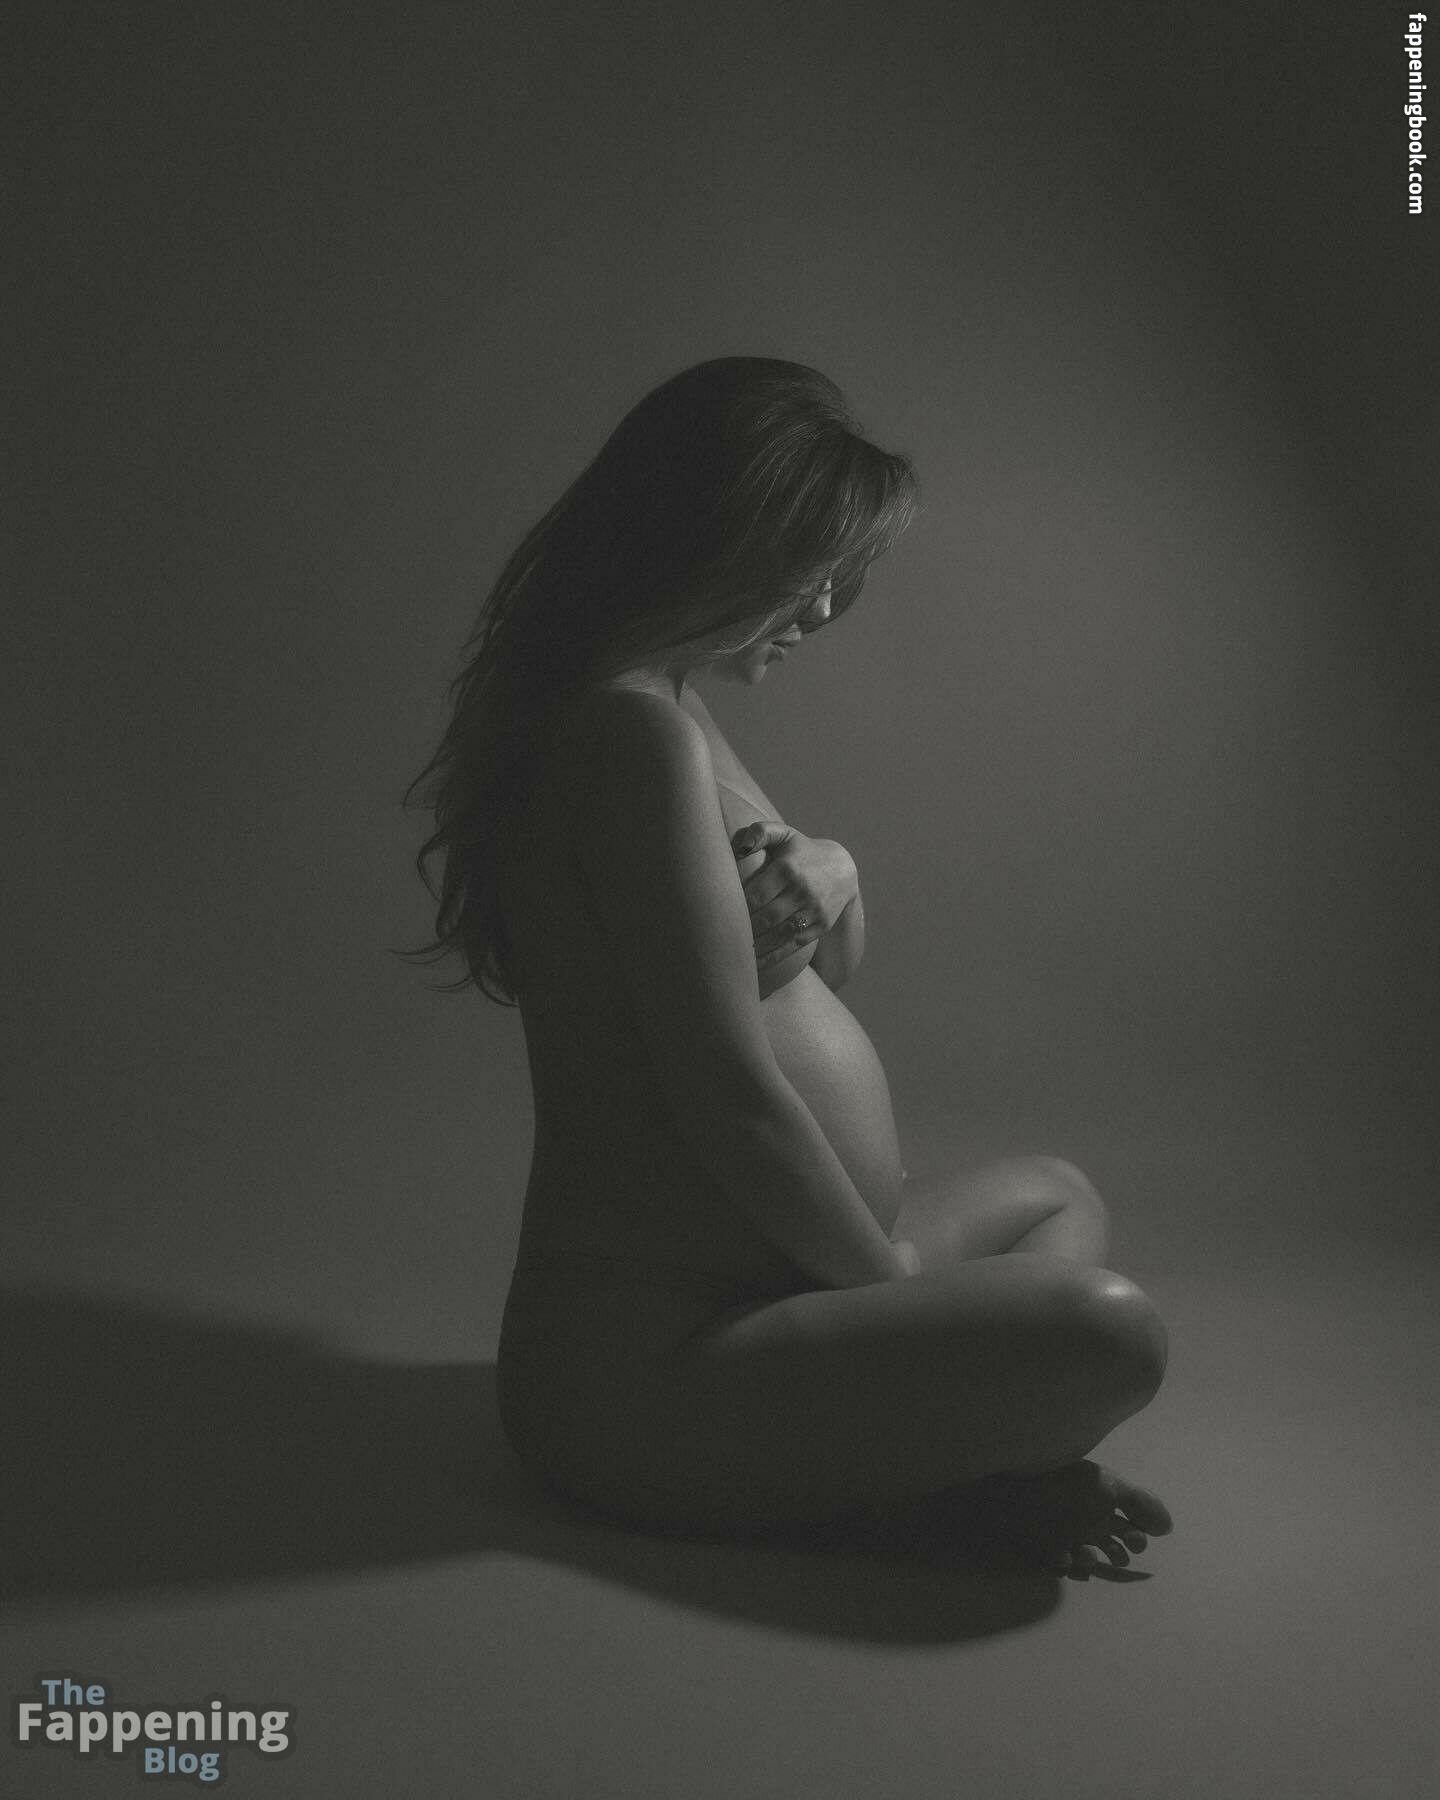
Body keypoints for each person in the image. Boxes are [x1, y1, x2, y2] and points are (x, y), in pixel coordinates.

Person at [399, 356, 1173, 1576]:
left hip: (779, 1294)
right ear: (714, 544)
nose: (824, 609)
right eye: (806, 570)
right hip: (657, 1373)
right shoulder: (625, 734)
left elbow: (820, 965)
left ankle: (949, 1458)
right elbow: (730, 1094)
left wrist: (836, 866)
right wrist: (892, 1298)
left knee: (1059, 1194)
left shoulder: (672, 707)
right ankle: (959, 1468)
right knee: (1109, 1333)